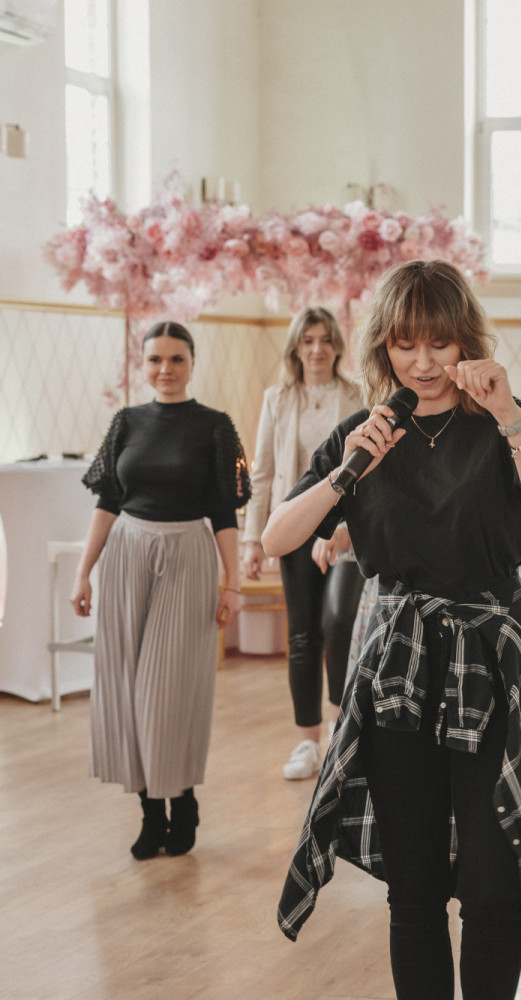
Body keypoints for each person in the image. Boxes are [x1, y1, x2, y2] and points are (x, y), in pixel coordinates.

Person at [269, 260, 521, 1000]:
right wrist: (348, 471)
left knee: (493, 881)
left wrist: (510, 416)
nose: (424, 362)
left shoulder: (502, 422)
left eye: (440, 343)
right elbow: (280, 536)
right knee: (415, 885)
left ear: (465, 340)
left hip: (492, 657)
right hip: (397, 665)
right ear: (384, 347)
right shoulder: (362, 433)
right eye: (406, 344)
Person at [72, 321, 250, 859]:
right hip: (126, 552)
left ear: (192, 363)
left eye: (176, 359)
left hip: (187, 556)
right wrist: (83, 572)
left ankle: (184, 800)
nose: (165, 369)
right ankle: (151, 812)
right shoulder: (125, 422)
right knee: (126, 685)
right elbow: (107, 501)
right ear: (143, 364)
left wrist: (233, 583)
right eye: (155, 359)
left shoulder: (214, 426)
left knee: (167, 691)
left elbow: (224, 511)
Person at [242, 306, 366, 781]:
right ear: (296, 348)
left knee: (338, 621)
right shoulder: (277, 399)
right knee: (302, 636)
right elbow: (263, 474)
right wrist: (254, 540)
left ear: (337, 346)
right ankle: (307, 743)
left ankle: (339, 730)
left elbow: (369, 471)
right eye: (308, 340)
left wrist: (344, 527)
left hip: (345, 531)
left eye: (325, 339)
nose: (317, 349)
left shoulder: (357, 395)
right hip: (294, 527)